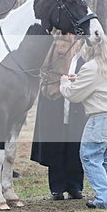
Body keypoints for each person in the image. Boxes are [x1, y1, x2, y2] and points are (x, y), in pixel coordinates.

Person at [60, 35, 107, 209]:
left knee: (90, 156)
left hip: (103, 118)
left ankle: (103, 199)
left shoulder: (91, 66)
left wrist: (64, 83)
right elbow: (101, 82)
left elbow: (73, 95)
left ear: (89, 48)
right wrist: (78, 78)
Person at [31, 34, 87, 200]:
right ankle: (57, 187)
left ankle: (75, 186)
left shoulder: (83, 61)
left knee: (75, 146)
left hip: (76, 106)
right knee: (55, 146)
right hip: (55, 104)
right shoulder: (53, 55)